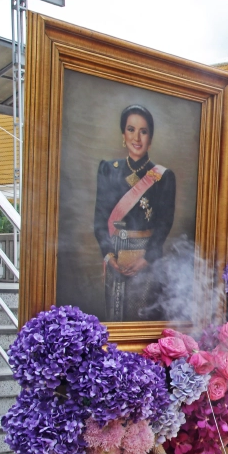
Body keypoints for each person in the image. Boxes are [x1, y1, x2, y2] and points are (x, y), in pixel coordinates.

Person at [93, 104, 176, 322]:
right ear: (123, 134)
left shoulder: (163, 176)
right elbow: (100, 220)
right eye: (131, 129)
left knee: (142, 317)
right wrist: (109, 255)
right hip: (115, 254)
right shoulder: (108, 169)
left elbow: (164, 224)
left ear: (150, 137)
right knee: (115, 318)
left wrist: (147, 258)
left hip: (146, 256)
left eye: (143, 131)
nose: (136, 137)